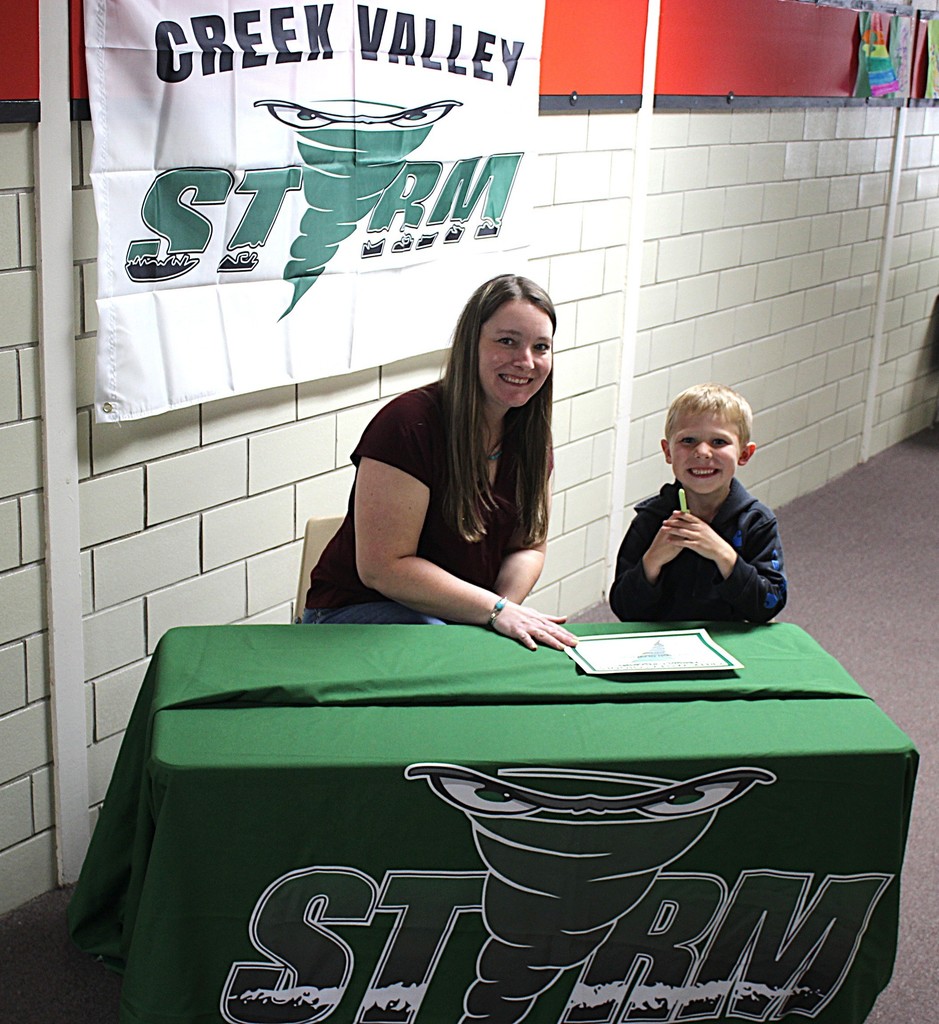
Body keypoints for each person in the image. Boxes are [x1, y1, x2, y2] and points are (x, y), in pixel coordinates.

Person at [302, 273, 578, 652]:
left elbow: (528, 547)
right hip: (354, 610)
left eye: (541, 347)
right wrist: (493, 611)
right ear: (471, 345)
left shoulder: (530, 435)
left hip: (457, 615)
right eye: (507, 341)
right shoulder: (406, 423)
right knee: (452, 654)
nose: (525, 361)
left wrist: (504, 610)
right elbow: (384, 567)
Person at [609, 383, 787, 623]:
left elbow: (769, 604)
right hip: (663, 647)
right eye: (688, 440)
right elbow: (624, 609)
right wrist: (653, 560)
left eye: (719, 442)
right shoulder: (650, 519)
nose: (703, 452)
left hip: (732, 648)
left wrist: (724, 555)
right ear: (668, 451)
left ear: (744, 454)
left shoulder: (757, 522)